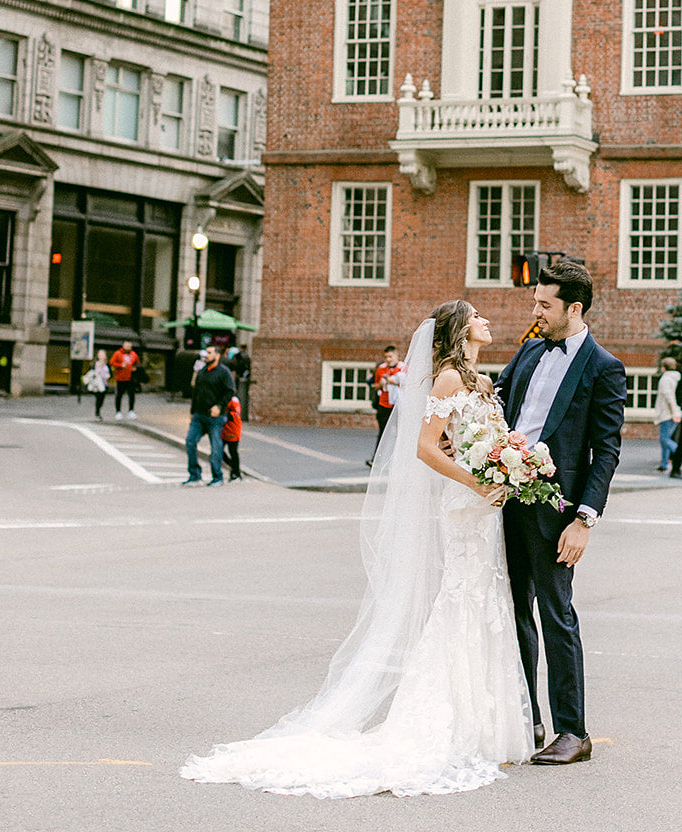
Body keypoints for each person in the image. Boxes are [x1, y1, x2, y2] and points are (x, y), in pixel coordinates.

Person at [182, 299, 532, 798]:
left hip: (487, 508)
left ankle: (486, 725)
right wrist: (475, 482)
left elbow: (482, 439)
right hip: (466, 504)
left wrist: (509, 465)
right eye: (477, 316)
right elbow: (425, 447)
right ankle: (451, 723)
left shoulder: (480, 381)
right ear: (459, 330)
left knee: (488, 602)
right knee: (463, 601)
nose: (487, 321)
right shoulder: (449, 379)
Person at [496, 258, 625, 766]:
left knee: (556, 615)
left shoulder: (603, 366)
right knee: (512, 612)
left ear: (573, 308)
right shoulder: (528, 350)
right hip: (506, 501)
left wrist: (584, 518)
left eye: (544, 304)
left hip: (558, 512)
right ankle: (527, 718)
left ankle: (574, 732)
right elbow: (500, 404)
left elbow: (606, 449)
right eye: (535, 301)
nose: (536, 310)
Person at [182, 345, 235, 486]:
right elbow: (196, 393)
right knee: (190, 441)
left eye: (210, 353)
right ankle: (195, 475)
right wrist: (192, 412)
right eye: (206, 352)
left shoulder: (224, 372)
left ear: (217, 355)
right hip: (199, 414)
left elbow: (230, 391)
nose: (206, 355)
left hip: (215, 417)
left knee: (216, 447)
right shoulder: (202, 371)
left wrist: (219, 406)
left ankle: (217, 477)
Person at [366, 344, 402, 467]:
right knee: (382, 433)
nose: (388, 359)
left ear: (396, 355)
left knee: (400, 433)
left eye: (390, 356)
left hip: (398, 405)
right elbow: (374, 385)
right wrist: (381, 384)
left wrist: (395, 381)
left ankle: (399, 460)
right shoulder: (381, 368)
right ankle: (376, 460)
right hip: (384, 404)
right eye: (386, 357)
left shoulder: (403, 368)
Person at [653, 356, 680, 472]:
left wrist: (674, 412)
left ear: (664, 368)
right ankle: (664, 464)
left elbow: (669, 397)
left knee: (664, 439)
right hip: (673, 412)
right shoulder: (676, 378)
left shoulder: (665, 380)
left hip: (666, 414)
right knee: (666, 439)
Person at [110, 339, 140, 418]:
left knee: (132, 395)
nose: (128, 347)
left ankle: (131, 410)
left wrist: (135, 368)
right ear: (123, 346)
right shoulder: (118, 353)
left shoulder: (134, 354)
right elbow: (112, 362)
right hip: (120, 378)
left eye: (129, 346)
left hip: (130, 378)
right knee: (119, 395)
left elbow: (138, 363)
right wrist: (120, 365)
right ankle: (118, 411)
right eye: (127, 346)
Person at [82, 350, 112, 421]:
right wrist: (95, 374)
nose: (102, 356)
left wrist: (108, 376)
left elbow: (110, 373)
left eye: (103, 355)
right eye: (100, 355)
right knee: (98, 398)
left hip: (104, 384)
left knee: (102, 399)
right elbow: (90, 372)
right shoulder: (95, 364)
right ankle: (97, 413)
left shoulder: (107, 364)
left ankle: (98, 411)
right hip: (97, 384)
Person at [222, 394, 243, 481]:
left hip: (232, 429)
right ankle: (234, 467)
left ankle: (236, 473)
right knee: (218, 450)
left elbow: (234, 414)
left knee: (233, 451)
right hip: (224, 429)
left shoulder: (234, 400)